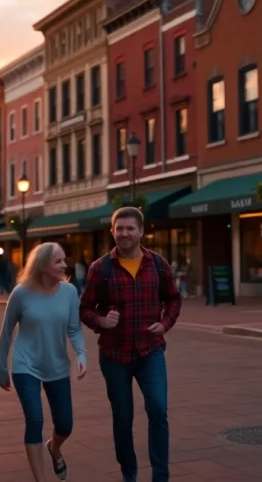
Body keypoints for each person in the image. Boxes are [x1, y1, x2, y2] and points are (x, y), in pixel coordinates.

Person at [80, 207, 182, 482]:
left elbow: (173, 298)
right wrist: (100, 321)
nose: (124, 233)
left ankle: (161, 476)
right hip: (114, 355)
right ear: (112, 231)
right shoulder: (100, 269)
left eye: (130, 228)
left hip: (150, 351)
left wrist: (165, 323)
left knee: (158, 409)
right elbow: (84, 308)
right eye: (119, 229)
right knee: (123, 419)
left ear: (141, 231)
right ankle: (129, 473)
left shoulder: (158, 264)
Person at [0, 242, 87, 481]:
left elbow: (75, 329)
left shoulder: (69, 292)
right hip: (25, 365)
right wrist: (1, 367)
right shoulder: (21, 293)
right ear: (42, 264)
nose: (64, 265)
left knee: (65, 425)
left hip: (57, 366)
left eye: (64, 260)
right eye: (58, 261)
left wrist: (82, 354)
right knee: (34, 419)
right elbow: (6, 331)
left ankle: (54, 448)